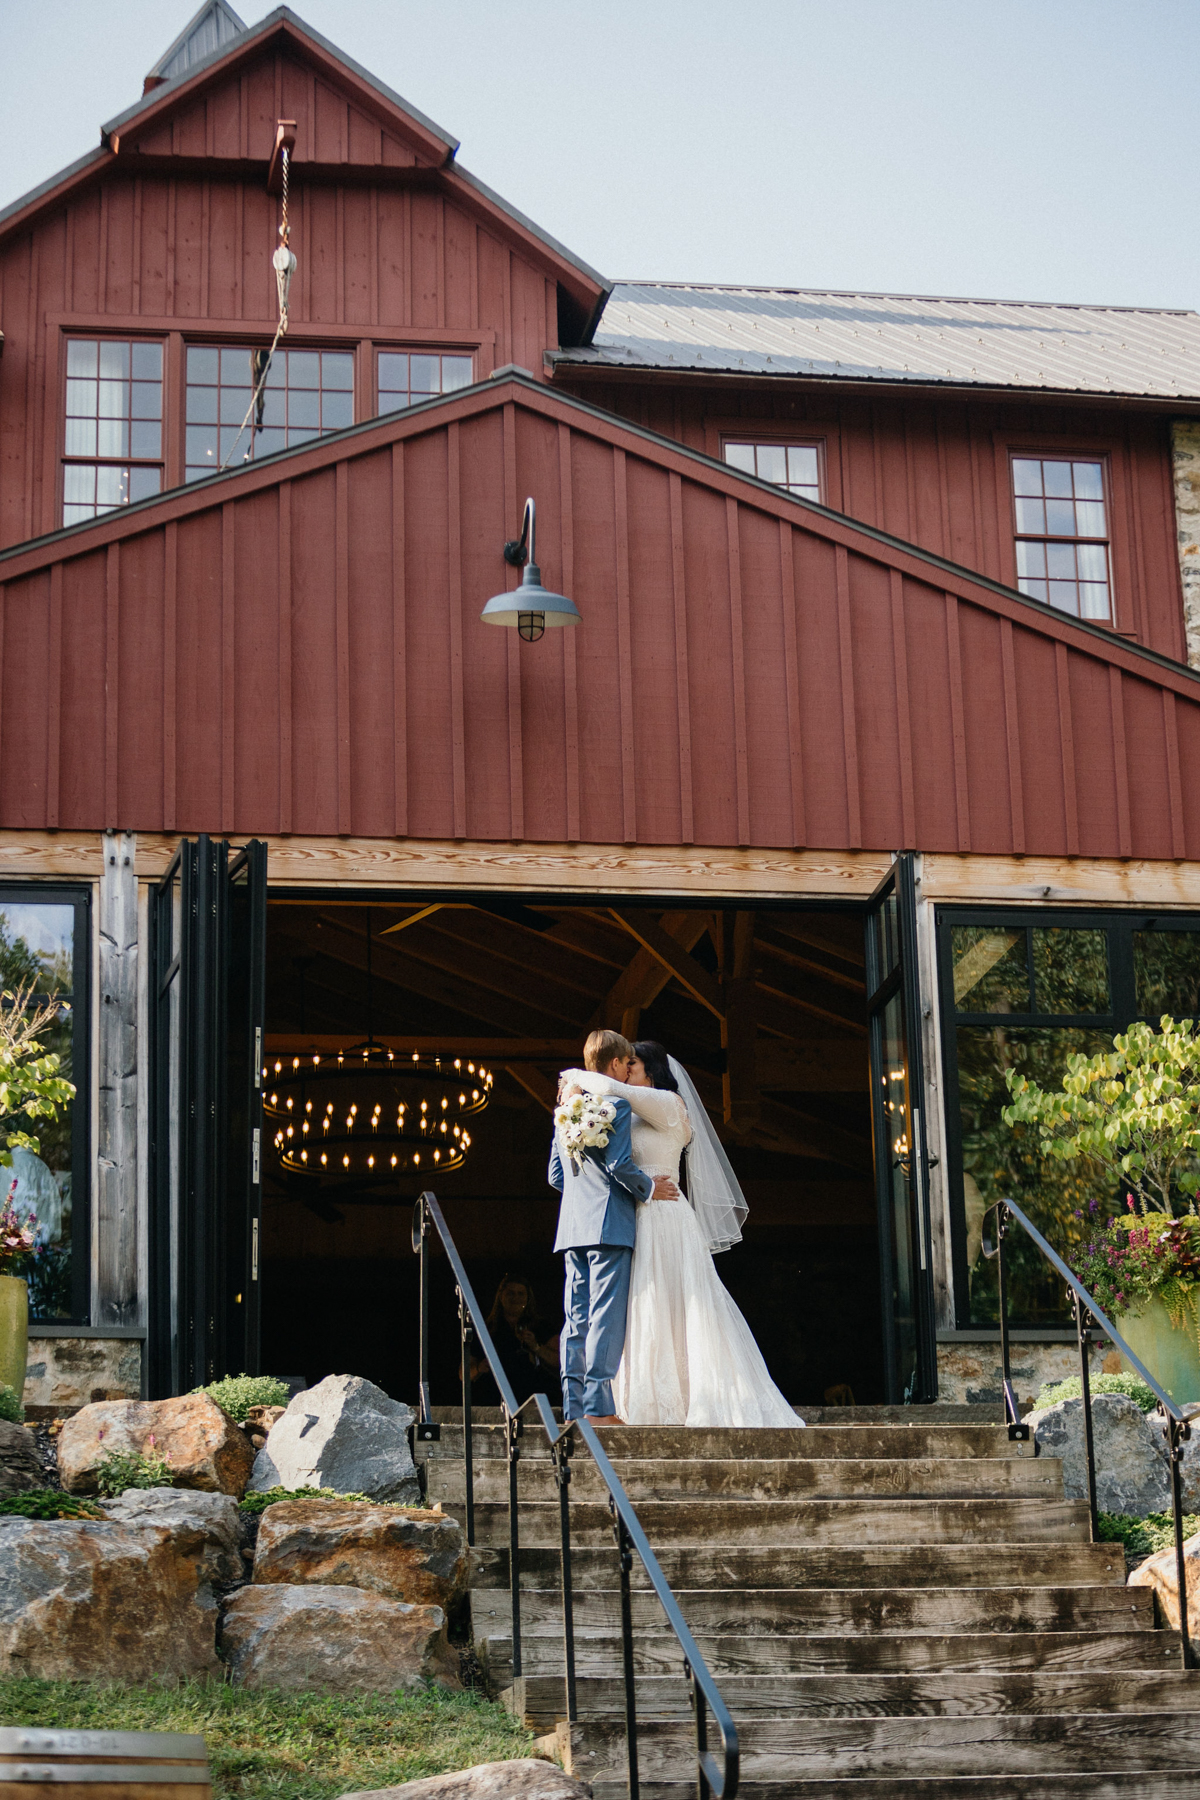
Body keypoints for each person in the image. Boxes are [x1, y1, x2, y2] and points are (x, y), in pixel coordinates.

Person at [561, 1040, 802, 1428]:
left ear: (651, 1069)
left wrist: (574, 1079)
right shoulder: (623, 1111)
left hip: (665, 1216)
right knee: (637, 1307)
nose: (626, 1070)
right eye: (623, 1063)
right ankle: (631, 1399)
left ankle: (691, 1398)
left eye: (633, 1063)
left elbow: (612, 1087)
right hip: (632, 1217)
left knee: (675, 1302)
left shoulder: (670, 1105)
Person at [548, 1029, 679, 1423]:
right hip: (610, 1224)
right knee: (604, 1318)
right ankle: (599, 1410)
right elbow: (619, 1165)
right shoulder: (616, 1107)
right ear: (616, 1064)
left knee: (576, 1319)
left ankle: (572, 1408)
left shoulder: (564, 1111)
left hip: (572, 1226)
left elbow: (557, 1175)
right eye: (626, 1063)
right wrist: (648, 1188)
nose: (626, 1070)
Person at [464, 1275, 560, 1407]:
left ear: (528, 1298)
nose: (515, 1298)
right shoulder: (486, 1329)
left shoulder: (541, 1327)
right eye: (510, 1293)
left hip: (534, 1403)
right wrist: (479, 1368)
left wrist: (537, 1348)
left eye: (520, 1293)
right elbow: (463, 1373)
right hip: (494, 1402)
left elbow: (561, 1362)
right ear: (501, 1296)